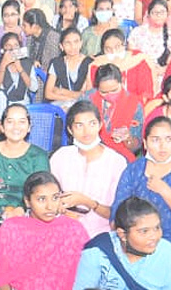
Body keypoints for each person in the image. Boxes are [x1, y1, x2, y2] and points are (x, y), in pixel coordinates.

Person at [111, 116, 171, 248]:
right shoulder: (135, 169)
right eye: (155, 140)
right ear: (145, 142)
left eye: (169, 139)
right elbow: (117, 212)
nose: (162, 146)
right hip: (138, 243)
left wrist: (165, 191)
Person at [49, 100, 126, 239]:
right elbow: (50, 199)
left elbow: (117, 214)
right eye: (79, 125)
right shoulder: (60, 157)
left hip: (101, 235)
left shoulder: (116, 162)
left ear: (100, 126)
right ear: (70, 130)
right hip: (64, 231)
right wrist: (61, 209)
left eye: (92, 124)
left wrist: (88, 202)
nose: (86, 131)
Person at [0, 104, 50, 217]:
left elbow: (42, 192)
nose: (16, 127)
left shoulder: (38, 156)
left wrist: (22, 208)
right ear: (2, 127)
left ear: (29, 127)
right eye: (10, 121)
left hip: (25, 216)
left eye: (22, 122)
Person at [89, 61, 144, 161]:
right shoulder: (88, 99)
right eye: (104, 92)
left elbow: (136, 147)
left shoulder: (134, 104)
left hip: (120, 156)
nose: (110, 95)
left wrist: (127, 138)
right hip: (91, 151)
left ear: (122, 81)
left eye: (114, 90)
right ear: (97, 87)